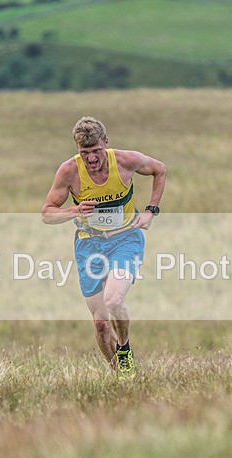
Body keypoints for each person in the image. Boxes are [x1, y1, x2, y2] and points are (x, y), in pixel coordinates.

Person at [41, 116, 167, 379]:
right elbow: (47, 213)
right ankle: (121, 376)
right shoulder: (69, 171)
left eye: (96, 151)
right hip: (89, 244)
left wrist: (150, 211)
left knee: (113, 300)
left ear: (106, 143)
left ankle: (124, 348)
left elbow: (160, 170)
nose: (91, 158)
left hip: (125, 239)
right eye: (84, 153)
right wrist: (74, 210)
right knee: (100, 325)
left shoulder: (126, 160)